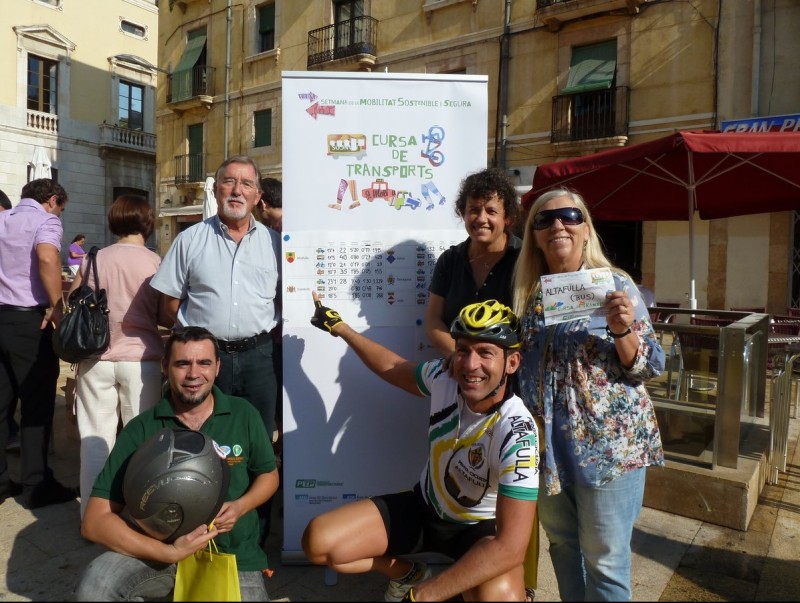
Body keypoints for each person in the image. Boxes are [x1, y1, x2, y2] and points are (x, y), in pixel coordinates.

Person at [303, 295, 539, 602]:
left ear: (512, 362)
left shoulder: (517, 432)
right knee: (318, 542)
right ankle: (406, 573)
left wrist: (424, 596)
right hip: (425, 508)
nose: (470, 365)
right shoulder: (444, 375)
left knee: (501, 597)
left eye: (485, 353)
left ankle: (495, 591)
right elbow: (393, 366)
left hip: (477, 530)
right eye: (463, 350)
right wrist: (342, 328)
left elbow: (510, 547)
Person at [511, 188, 665, 602]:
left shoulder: (616, 286)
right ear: (536, 236)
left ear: (585, 228)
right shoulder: (530, 296)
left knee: (606, 562)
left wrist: (622, 330)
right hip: (549, 452)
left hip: (607, 450)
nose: (557, 225)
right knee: (562, 549)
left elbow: (652, 366)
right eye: (544, 220)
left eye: (568, 216)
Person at [76, 326, 279, 601]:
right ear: (164, 366)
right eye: (182, 363)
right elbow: (95, 522)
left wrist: (240, 506)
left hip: (232, 556)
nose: (194, 374)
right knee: (96, 586)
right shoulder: (142, 429)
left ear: (217, 367)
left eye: (204, 363)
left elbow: (268, 475)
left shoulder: (243, 414)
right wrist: (168, 552)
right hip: (158, 554)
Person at [150, 155, 281, 547]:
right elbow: (168, 306)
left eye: (245, 183)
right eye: (228, 182)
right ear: (215, 189)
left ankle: (254, 536)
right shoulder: (190, 240)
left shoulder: (276, 244)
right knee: (200, 441)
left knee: (258, 444)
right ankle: (195, 528)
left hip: (260, 358)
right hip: (205, 361)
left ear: (258, 195)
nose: (236, 190)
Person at [67, 195, 169, 519]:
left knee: (95, 440)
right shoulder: (154, 262)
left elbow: (72, 299)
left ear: (114, 221)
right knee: (144, 441)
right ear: (148, 222)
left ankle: (92, 520)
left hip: (95, 359)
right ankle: (140, 514)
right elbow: (164, 315)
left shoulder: (94, 258)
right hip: (142, 362)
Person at [0, 178, 78, 509]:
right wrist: (57, 307)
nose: (60, 213)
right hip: (27, 321)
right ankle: (35, 484)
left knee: (1, 403)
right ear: (53, 200)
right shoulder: (46, 221)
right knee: (35, 403)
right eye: (61, 207)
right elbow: (47, 258)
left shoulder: (2, 218)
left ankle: (2, 481)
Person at [425, 167, 522, 358]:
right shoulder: (450, 260)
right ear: (463, 214)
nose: (481, 219)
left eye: (491, 211)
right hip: (457, 371)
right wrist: (462, 359)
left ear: (507, 218)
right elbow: (432, 320)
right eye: (474, 210)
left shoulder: (524, 259)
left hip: (511, 376)